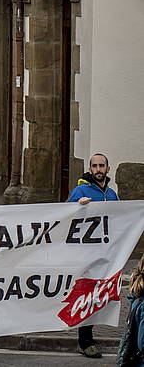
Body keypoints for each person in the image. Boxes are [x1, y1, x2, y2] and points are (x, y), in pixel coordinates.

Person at [68, 153, 119, 358]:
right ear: (90, 169)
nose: (98, 169)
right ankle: (85, 340)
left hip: (108, 253)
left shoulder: (113, 194)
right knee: (88, 295)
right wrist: (77, 206)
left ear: (108, 169)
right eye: (95, 166)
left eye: (102, 166)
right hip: (86, 254)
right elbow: (63, 215)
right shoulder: (80, 190)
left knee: (104, 294)